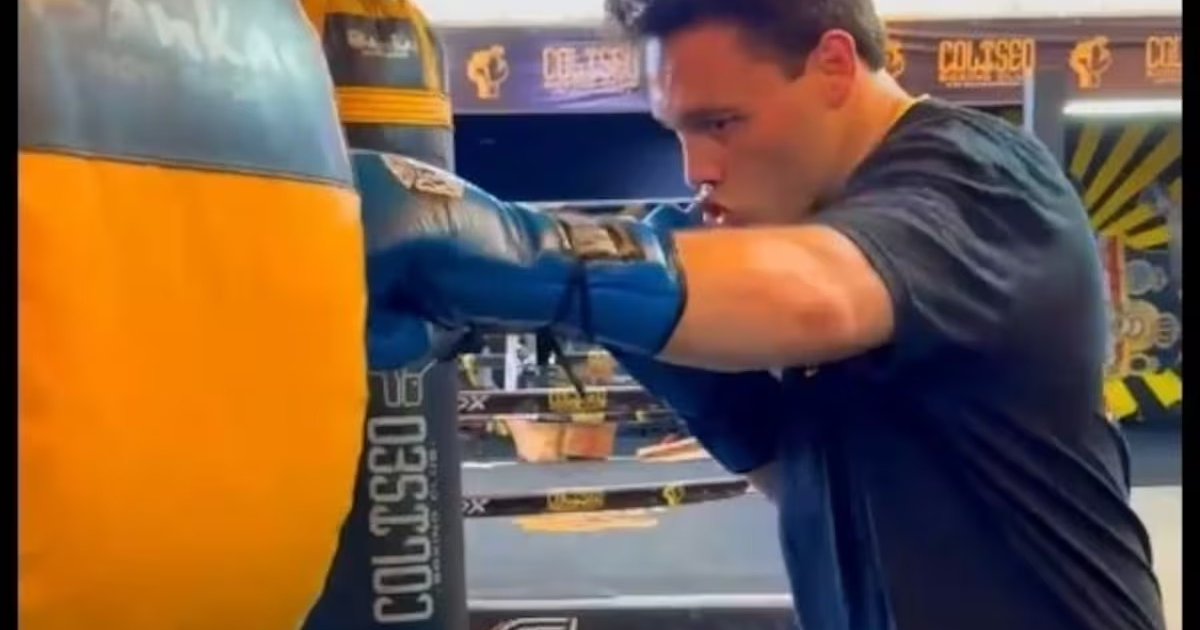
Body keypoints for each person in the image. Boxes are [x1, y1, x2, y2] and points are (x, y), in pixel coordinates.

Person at [355, 1, 1167, 629]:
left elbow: (822, 293)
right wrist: (690, 372)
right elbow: (808, 482)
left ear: (834, 64)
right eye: (678, 130)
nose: (697, 167)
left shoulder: (980, 180)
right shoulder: (811, 216)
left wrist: (530, 255)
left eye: (721, 122)